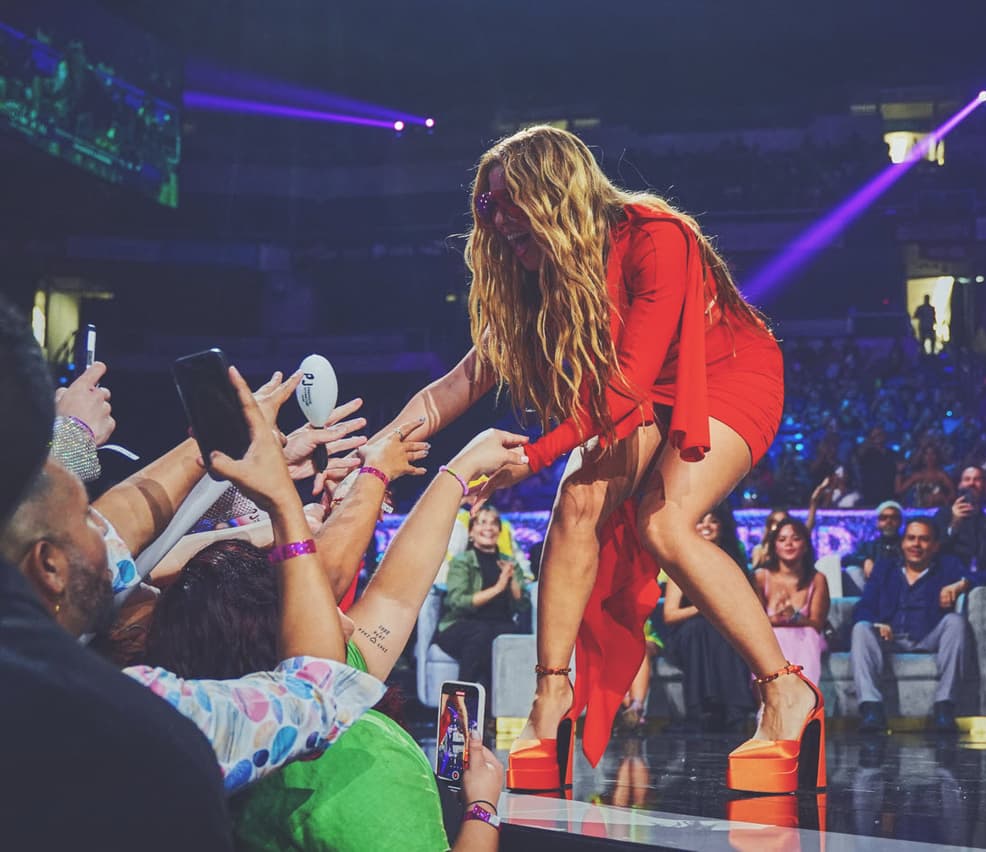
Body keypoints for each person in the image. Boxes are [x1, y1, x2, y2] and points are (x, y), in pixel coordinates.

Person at [378, 126, 818, 794]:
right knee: (577, 501)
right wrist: (379, 450)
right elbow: (459, 384)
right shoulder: (540, 276)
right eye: (486, 206)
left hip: (727, 370)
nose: (493, 219)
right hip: (638, 391)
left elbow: (632, 383)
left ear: (553, 192)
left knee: (664, 524)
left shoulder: (654, 235)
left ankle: (785, 691)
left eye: (505, 201)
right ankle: (550, 699)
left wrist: (535, 454)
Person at [0, 339, 379, 849]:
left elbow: (121, 522)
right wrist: (285, 506)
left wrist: (217, 443)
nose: (116, 542)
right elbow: (317, 694)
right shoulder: (136, 713)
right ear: (50, 568)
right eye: (88, 523)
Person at [146, 427, 528, 851]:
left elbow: (395, 597)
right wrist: (481, 808)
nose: (347, 624)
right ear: (276, 634)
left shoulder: (213, 729)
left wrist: (458, 473)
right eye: (321, 613)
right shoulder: (359, 760)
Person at [851, 518, 972, 733]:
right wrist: (877, 623)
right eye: (911, 538)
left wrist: (961, 584)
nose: (916, 545)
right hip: (889, 638)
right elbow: (864, 606)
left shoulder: (947, 566)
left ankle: (945, 707)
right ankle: (871, 709)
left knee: (955, 622)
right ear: (902, 543)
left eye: (924, 539)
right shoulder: (885, 568)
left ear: (935, 546)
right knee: (861, 628)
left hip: (927, 636)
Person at [662, 506, 757, 732]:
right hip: (688, 633)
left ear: (722, 527)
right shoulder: (679, 564)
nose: (706, 525)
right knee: (701, 627)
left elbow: (749, 608)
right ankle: (700, 710)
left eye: (712, 521)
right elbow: (670, 615)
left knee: (723, 631)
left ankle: (733, 710)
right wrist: (703, 608)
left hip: (724, 629)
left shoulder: (734, 565)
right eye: (700, 520)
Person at [434, 505, 532, 696]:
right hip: (461, 626)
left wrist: (511, 579)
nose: (489, 528)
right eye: (482, 522)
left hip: (500, 626)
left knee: (504, 637)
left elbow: (522, 605)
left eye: (494, 523)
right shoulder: (462, 561)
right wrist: (498, 587)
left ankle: (494, 716)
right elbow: (458, 602)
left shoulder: (508, 563)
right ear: (471, 532)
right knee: (482, 635)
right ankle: (461, 705)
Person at [755, 519, 830, 699]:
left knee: (810, 636)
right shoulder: (760, 577)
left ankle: (804, 706)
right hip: (770, 636)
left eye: (795, 538)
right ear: (774, 546)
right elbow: (754, 621)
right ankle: (770, 708)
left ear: (805, 545)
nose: (789, 544)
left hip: (805, 636)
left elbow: (817, 623)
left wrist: (794, 617)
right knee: (766, 639)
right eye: (782, 539)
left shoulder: (817, 579)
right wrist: (777, 619)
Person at [934, 465, 986, 586]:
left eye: (977, 479)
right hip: (947, 581)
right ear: (959, 484)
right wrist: (954, 523)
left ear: (985, 485)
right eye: (967, 479)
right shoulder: (943, 515)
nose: (972, 483)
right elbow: (935, 551)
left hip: (979, 584)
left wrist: (970, 581)